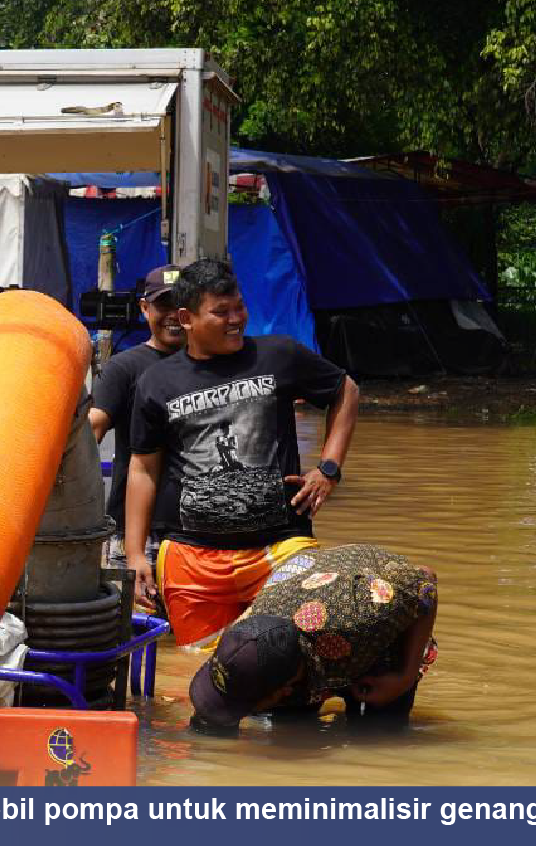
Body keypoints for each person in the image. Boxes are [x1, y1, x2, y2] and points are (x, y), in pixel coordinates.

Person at [123, 257, 360, 648]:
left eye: (239, 308)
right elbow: (143, 470)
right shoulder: (156, 381)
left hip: (281, 544)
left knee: (293, 652)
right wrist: (134, 554)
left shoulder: (277, 355)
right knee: (200, 674)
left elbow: (344, 389)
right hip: (189, 556)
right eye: (221, 312)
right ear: (186, 318)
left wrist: (328, 469)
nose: (236, 319)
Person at [187, 542, 438, 733]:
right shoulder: (244, 633)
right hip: (308, 646)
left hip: (375, 639)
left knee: (379, 734)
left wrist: (403, 677)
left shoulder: (364, 618)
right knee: (291, 732)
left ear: (282, 690)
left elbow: (425, 583)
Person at [87, 264, 187, 570]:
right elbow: (92, 430)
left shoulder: (213, 367)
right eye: (163, 304)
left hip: (196, 529)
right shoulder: (123, 368)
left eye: (181, 303)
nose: (173, 314)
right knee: (129, 617)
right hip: (135, 530)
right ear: (145, 309)